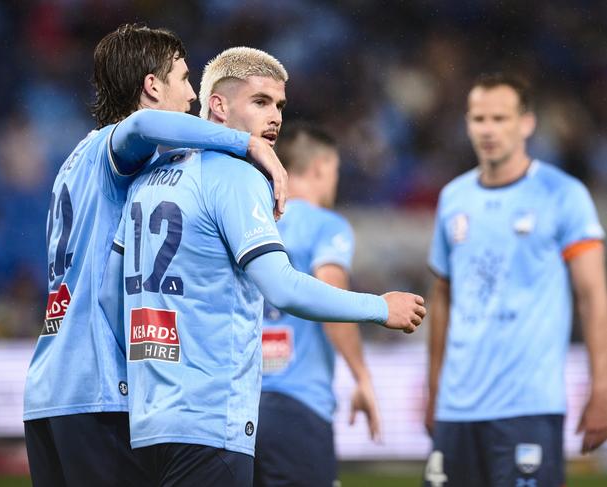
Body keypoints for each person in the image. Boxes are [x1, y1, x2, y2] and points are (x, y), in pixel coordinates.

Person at [104, 46, 426, 487]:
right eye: (260, 102)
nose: (274, 116)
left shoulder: (152, 177)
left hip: (146, 424)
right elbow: (283, 288)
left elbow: (109, 293)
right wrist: (379, 307)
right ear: (217, 105)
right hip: (211, 419)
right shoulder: (236, 177)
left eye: (279, 105)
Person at [23, 24, 288, 487]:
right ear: (151, 85)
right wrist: (246, 143)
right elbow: (145, 126)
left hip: (48, 390)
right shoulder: (114, 149)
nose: (191, 97)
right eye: (184, 79)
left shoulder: (73, 162)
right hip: (99, 389)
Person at [424, 72, 607, 487]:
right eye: (479, 119)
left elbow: (594, 296)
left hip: (528, 405)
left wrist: (603, 386)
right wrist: (434, 388)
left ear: (527, 123)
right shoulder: (454, 198)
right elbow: (443, 297)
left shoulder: (563, 195)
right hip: (457, 406)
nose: (488, 130)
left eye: (500, 119)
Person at [253, 123, 380, 487]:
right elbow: (331, 294)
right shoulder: (326, 225)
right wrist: (362, 376)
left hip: (240, 407)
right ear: (322, 166)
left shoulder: (252, 219)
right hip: (299, 405)